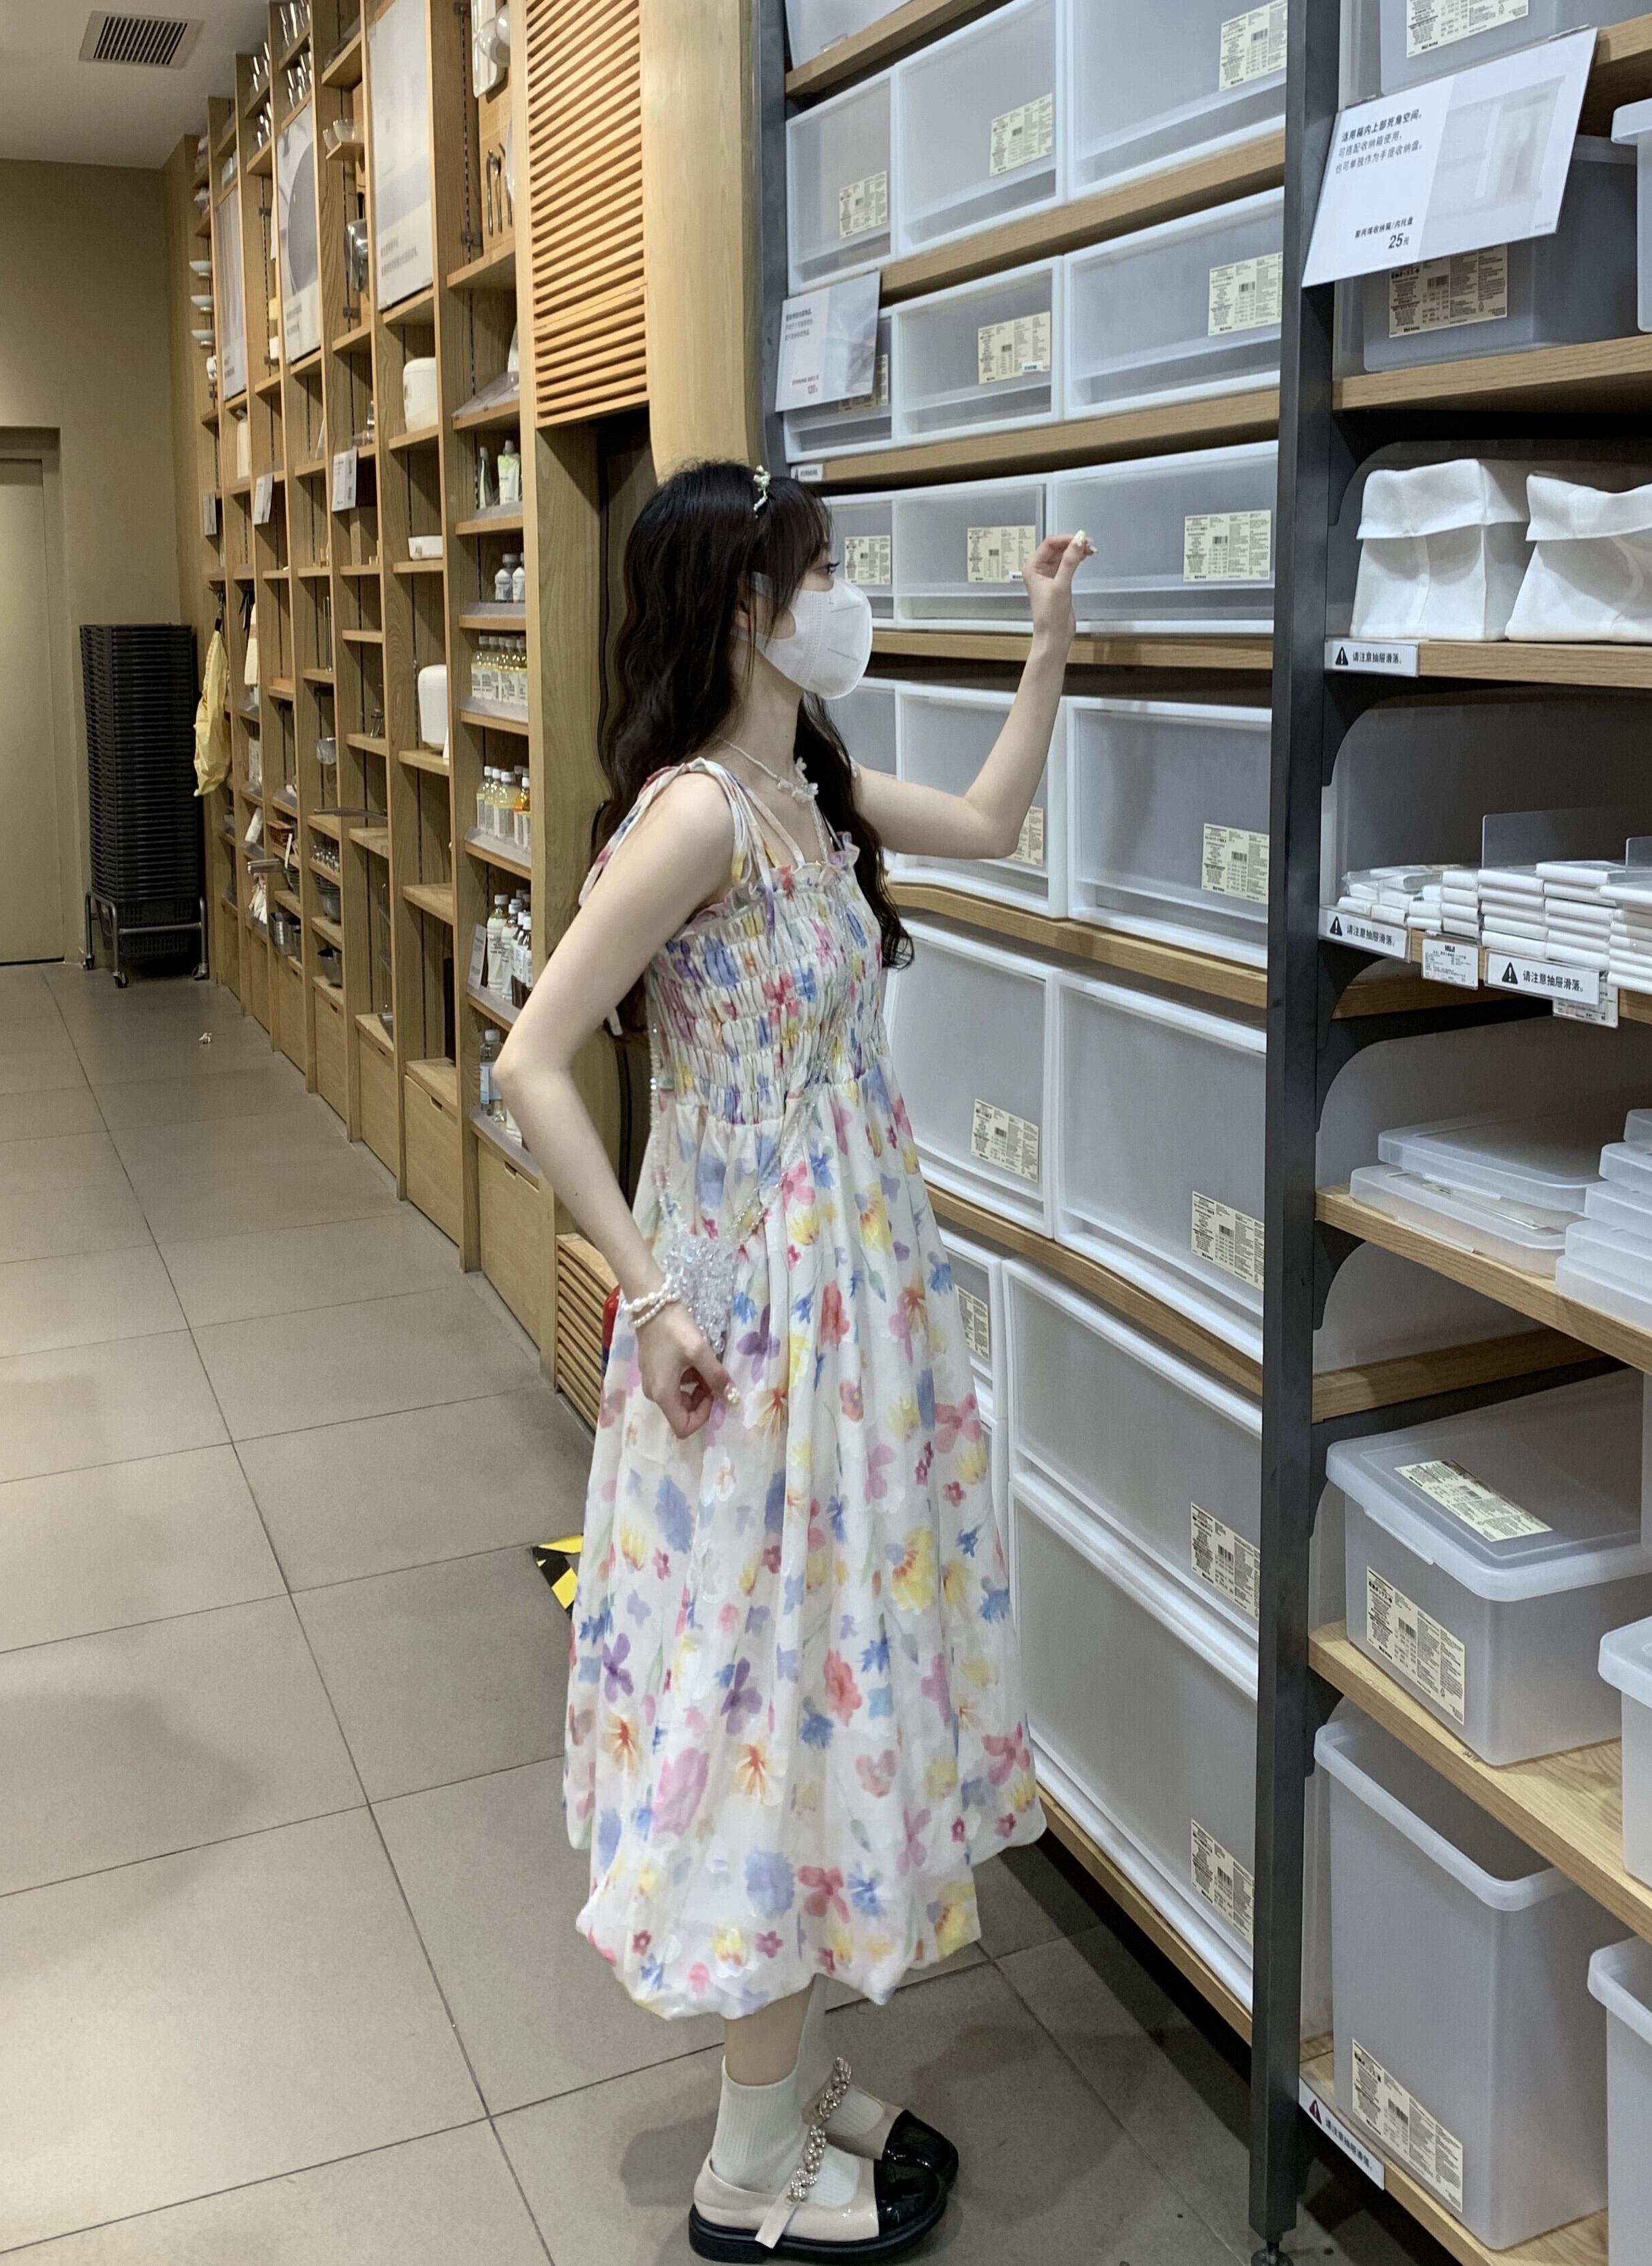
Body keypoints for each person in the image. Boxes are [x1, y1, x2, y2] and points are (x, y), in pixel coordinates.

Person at [496, 460, 1093, 2261]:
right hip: (757, 1319)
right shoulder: (697, 813)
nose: (845, 595)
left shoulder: (802, 782)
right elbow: (531, 1063)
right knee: (761, 1694)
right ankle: (749, 2167)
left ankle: (790, 2086)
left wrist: (1049, 642)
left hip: (852, 1303)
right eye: (820, 571)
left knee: (826, 1677)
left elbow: (989, 818)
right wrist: (653, 1299)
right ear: (747, 608)